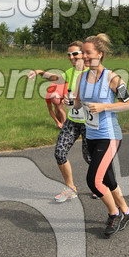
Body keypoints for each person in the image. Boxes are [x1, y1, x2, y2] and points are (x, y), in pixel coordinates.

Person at [75, 33, 129, 238]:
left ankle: (114, 213)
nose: (83, 56)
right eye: (82, 52)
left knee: (93, 180)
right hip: (90, 135)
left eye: (87, 53)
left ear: (99, 55)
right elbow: (77, 103)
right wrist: (70, 103)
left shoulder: (113, 78)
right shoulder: (82, 77)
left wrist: (104, 106)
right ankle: (126, 212)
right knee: (108, 179)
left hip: (109, 135)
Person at [27, 41, 91, 202]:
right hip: (72, 121)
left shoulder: (94, 73)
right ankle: (70, 189)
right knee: (59, 153)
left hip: (89, 122)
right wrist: (39, 72)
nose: (71, 57)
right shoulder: (70, 72)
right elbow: (56, 78)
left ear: (84, 54)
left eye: (75, 54)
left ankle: (101, 183)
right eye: (69, 55)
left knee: (89, 158)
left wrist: (77, 101)